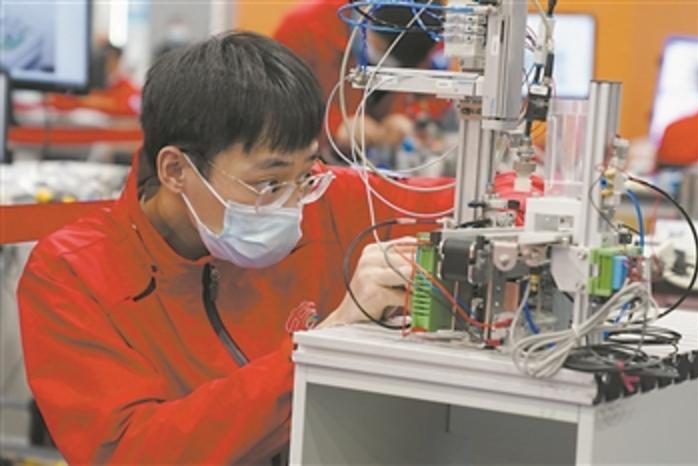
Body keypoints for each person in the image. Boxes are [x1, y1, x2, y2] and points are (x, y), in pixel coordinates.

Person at [18, 32, 453, 464]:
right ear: (176, 170)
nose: (293, 207)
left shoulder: (322, 197)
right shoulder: (71, 276)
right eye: (269, 184)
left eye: (306, 173)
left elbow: (455, 204)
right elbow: (133, 452)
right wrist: (319, 348)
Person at [274, 0, 445, 153]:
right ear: (367, 11)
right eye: (381, 46)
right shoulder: (304, 27)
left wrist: (407, 116)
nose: (385, 60)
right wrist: (335, 125)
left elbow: (438, 94)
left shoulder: (429, 33)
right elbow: (278, 105)